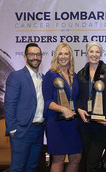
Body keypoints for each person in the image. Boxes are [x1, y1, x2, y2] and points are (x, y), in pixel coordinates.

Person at [76, 41, 106, 172]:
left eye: (97, 51)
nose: (94, 54)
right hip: (85, 122)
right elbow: (77, 97)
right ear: (87, 54)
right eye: (91, 51)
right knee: (87, 159)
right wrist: (79, 109)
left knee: (93, 161)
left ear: (101, 54)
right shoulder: (80, 74)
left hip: (102, 124)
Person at [4, 43, 45, 172]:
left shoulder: (43, 78)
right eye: (31, 54)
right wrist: (12, 130)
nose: (35, 57)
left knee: (32, 167)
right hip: (22, 130)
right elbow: (9, 104)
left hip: (39, 130)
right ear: (25, 56)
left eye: (38, 54)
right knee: (18, 168)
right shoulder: (16, 76)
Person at [42, 43, 82, 172]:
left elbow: (76, 99)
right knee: (58, 160)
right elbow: (47, 101)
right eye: (60, 53)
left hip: (73, 123)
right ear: (56, 56)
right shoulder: (50, 75)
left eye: (66, 53)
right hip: (56, 123)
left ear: (70, 56)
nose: (63, 57)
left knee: (76, 158)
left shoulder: (74, 76)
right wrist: (63, 109)